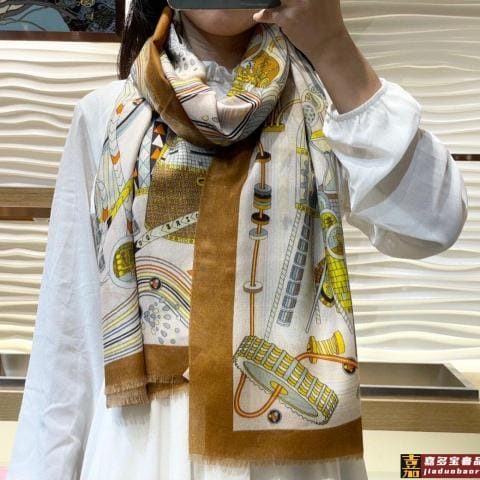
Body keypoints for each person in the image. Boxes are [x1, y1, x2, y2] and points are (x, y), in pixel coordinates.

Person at [7, 1, 468, 479]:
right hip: (143, 451)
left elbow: (432, 223)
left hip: (291, 453)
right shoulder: (108, 116)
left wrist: (333, 47)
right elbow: (68, 333)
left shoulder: (327, 109)